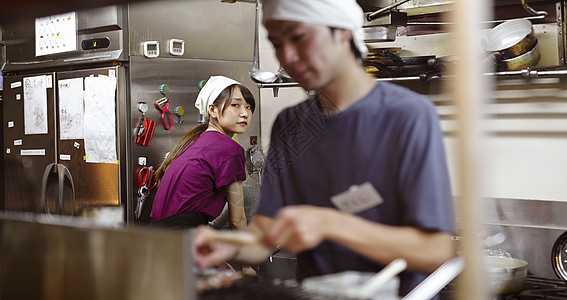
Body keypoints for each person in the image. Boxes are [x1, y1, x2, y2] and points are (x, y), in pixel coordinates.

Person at [193, 0, 456, 297]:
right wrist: (230, 245)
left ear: (342, 32)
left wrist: (331, 223)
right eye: (277, 43)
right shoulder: (290, 125)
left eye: (298, 37)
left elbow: (434, 250)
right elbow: (265, 234)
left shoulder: (406, 115)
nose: (287, 57)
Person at [150, 75, 255, 231]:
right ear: (212, 110)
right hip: (183, 240)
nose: (245, 114)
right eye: (235, 105)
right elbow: (237, 221)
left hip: (158, 239)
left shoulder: (195, 142)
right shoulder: (229, 150)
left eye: (248, 107)